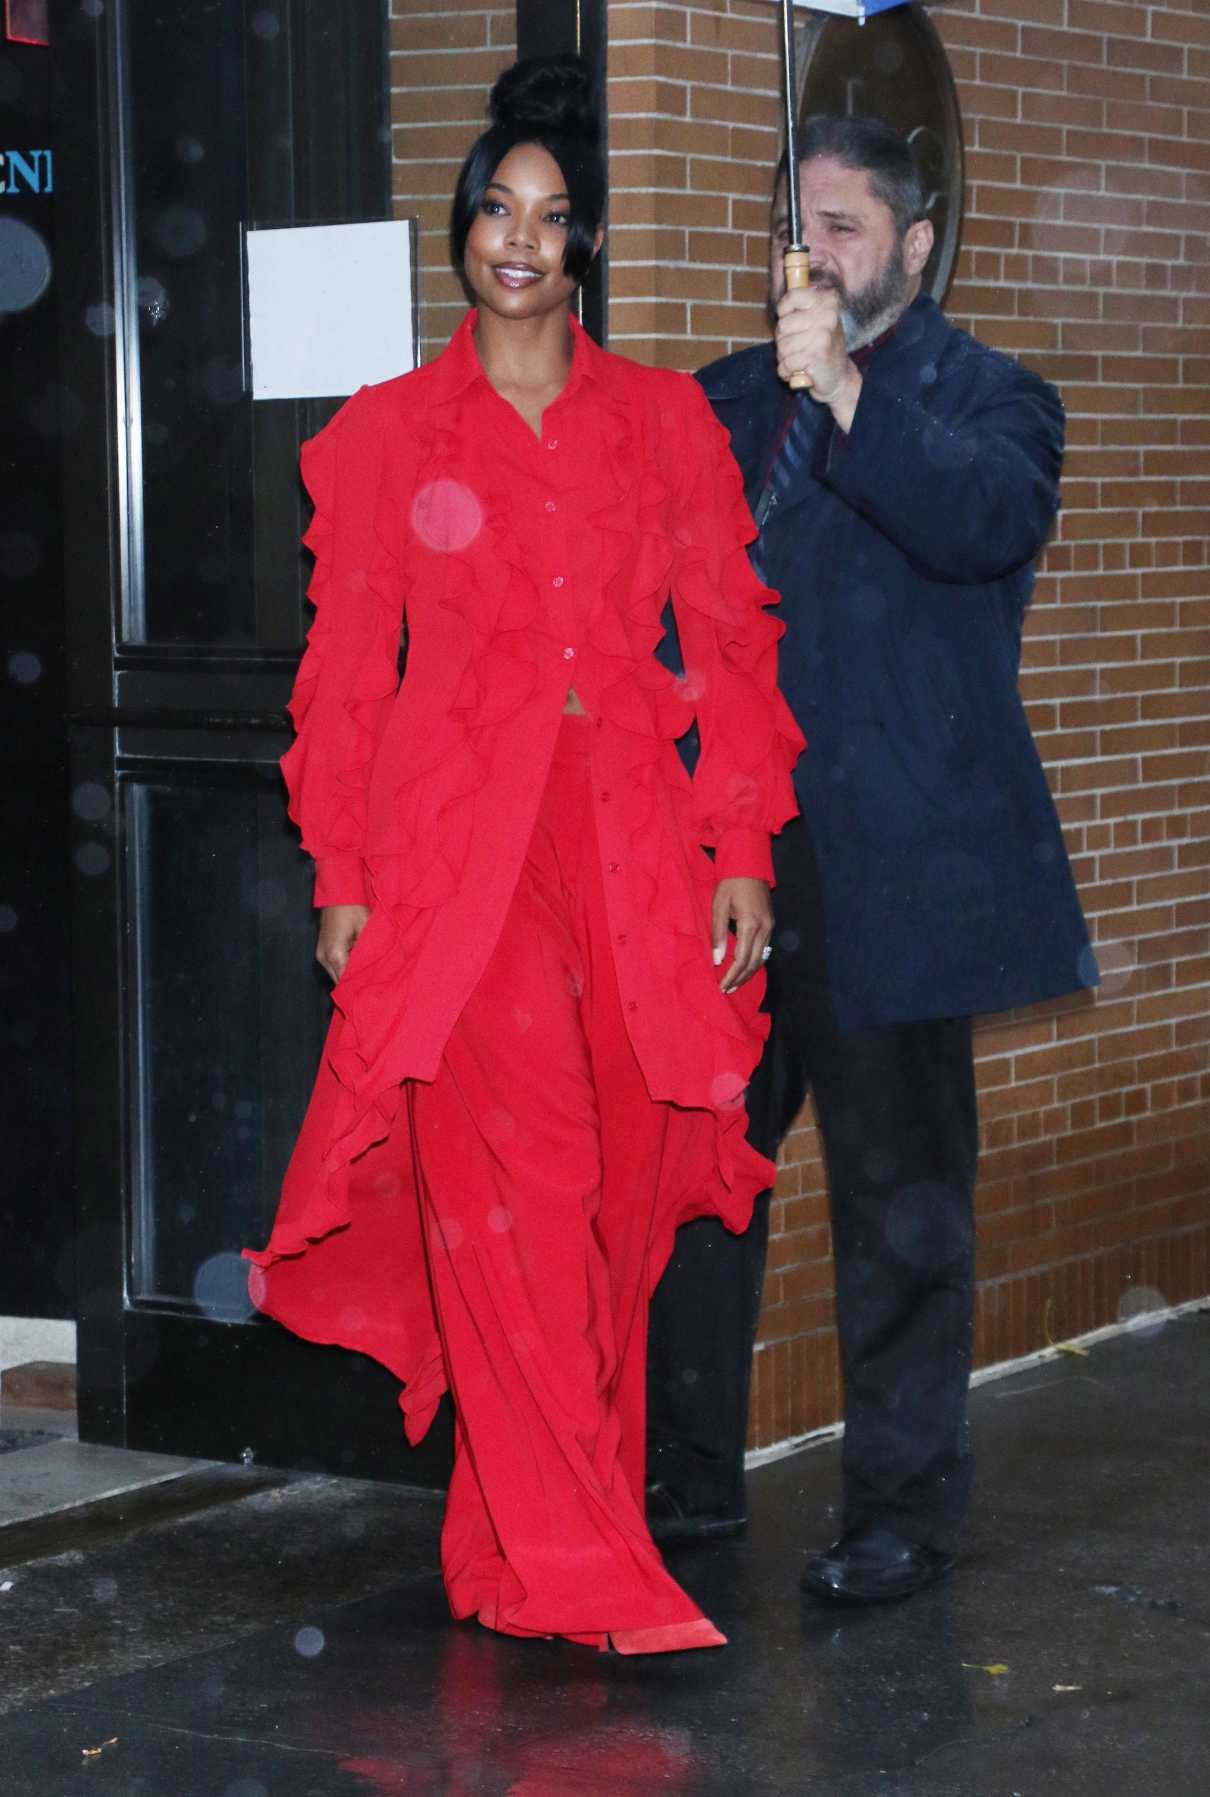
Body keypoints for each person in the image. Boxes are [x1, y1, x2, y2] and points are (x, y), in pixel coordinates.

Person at [244, 55, 802, 1655]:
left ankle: (507, 1536)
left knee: (622, 1202)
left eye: (552, 218)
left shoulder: (665, 425)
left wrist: (740, 842)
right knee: (523, 1190)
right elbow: (343, 680)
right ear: (462, 229)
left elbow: (736, 648)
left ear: (586, 249)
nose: (519, 237)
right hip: (458, 865)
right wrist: (341, 877)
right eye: (497, 206)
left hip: (625, 844)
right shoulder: (382, 438)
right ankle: (584, 1568)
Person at [646, 114, 1096, 1602]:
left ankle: (898, 1515)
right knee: (699, 1182)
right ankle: (685, 1487)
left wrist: (840, 391)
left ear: (913, 242)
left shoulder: (994, 402)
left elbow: (981, 524)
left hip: (906, 875)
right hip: (741, 868)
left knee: (904, 1210)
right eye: (800, 222)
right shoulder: (720, 404)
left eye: (844, 227)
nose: (813, 251)